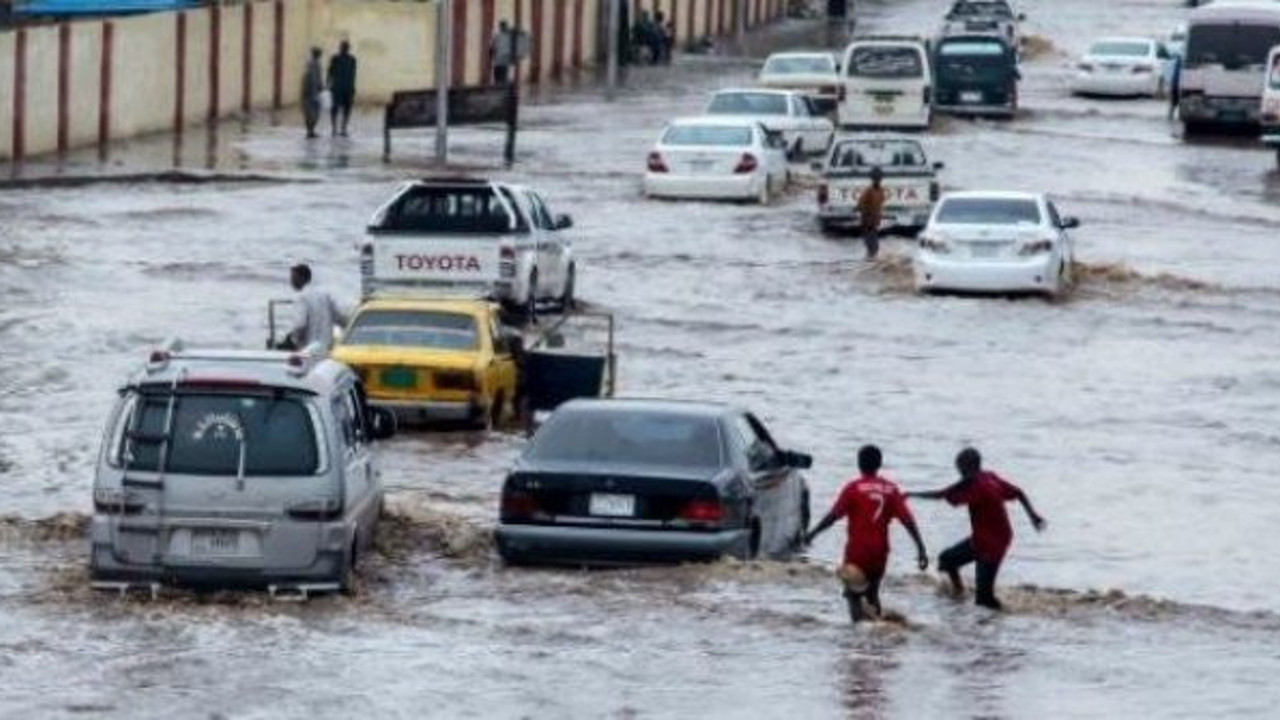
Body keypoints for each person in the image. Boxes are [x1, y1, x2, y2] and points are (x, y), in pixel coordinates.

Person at [908, 448, 1046, 611]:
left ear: (966, 467)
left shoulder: (973, 484)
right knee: (947, 560)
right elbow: (1019, 493)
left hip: (993, 544)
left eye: (960, 468)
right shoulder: (989, 476)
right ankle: (959, 591)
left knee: (984, 599)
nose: (959, 473)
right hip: (983, 538)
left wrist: (911, 494)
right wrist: (1033, 516)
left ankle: (1005, 619)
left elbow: (942, 494)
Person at [805, 445, 929, 624]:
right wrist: (921, 548)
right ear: (879, 464)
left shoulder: (853, 488)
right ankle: (876, 638)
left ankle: (860, 637)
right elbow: (908, 521)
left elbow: (833, 516)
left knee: (853, 596)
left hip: (857, 554)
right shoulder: (891, 490)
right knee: (872, 595)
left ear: (859, 464)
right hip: (879, 554)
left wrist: (812, 534)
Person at [284, 264, 348, 353]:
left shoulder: (301, 297)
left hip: (308, 350)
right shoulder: (325, 295)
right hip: (326, 348)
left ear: (302, 278)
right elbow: (342, 319)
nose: (291, 281)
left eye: (293, 278)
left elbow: (300, 324)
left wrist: (293, 340)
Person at [855, 166, 886, 260]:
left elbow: (880, 206)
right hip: (867, 223)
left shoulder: (881, 191)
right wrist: (866, 216)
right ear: (872, 178)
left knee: (875, 248)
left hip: (874, 223)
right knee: (872, 247)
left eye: (879, 178)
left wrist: (878, 218)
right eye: (875, 178)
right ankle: (869, 262)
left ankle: (870, 263)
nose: (877, 180)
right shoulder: (868, 191)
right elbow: (860, 204)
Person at [327, 40, 357, 137]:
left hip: (347, 88)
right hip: (337, 88)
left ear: (348, 49)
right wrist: (328, 85)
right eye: (343, 47)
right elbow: (330, 72)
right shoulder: (335, 59)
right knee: (334, 108)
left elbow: (353, 75)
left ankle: (343, 128)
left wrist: (353, 87)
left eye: (346, 47)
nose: (344, 49)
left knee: (347, 109)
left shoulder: (352, 60)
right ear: (340, 48)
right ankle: (334, 128)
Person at [301, 47, 324, 139]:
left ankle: (310, 131)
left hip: (311, 92)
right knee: (313, 113)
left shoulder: (312, 64)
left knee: (311, 113)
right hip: (311, 92)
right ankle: (310, 131)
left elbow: (316, 78)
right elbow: (313, 79)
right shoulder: (313, 65)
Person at [491, 20, 515, 84]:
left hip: (499, 60)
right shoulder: (506, 37)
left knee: (499, 77)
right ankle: (500, 88)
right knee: (501, 77)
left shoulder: (497, 36)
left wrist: (492, 56)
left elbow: (493, 48)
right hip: (502, 60)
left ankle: (499, 88)